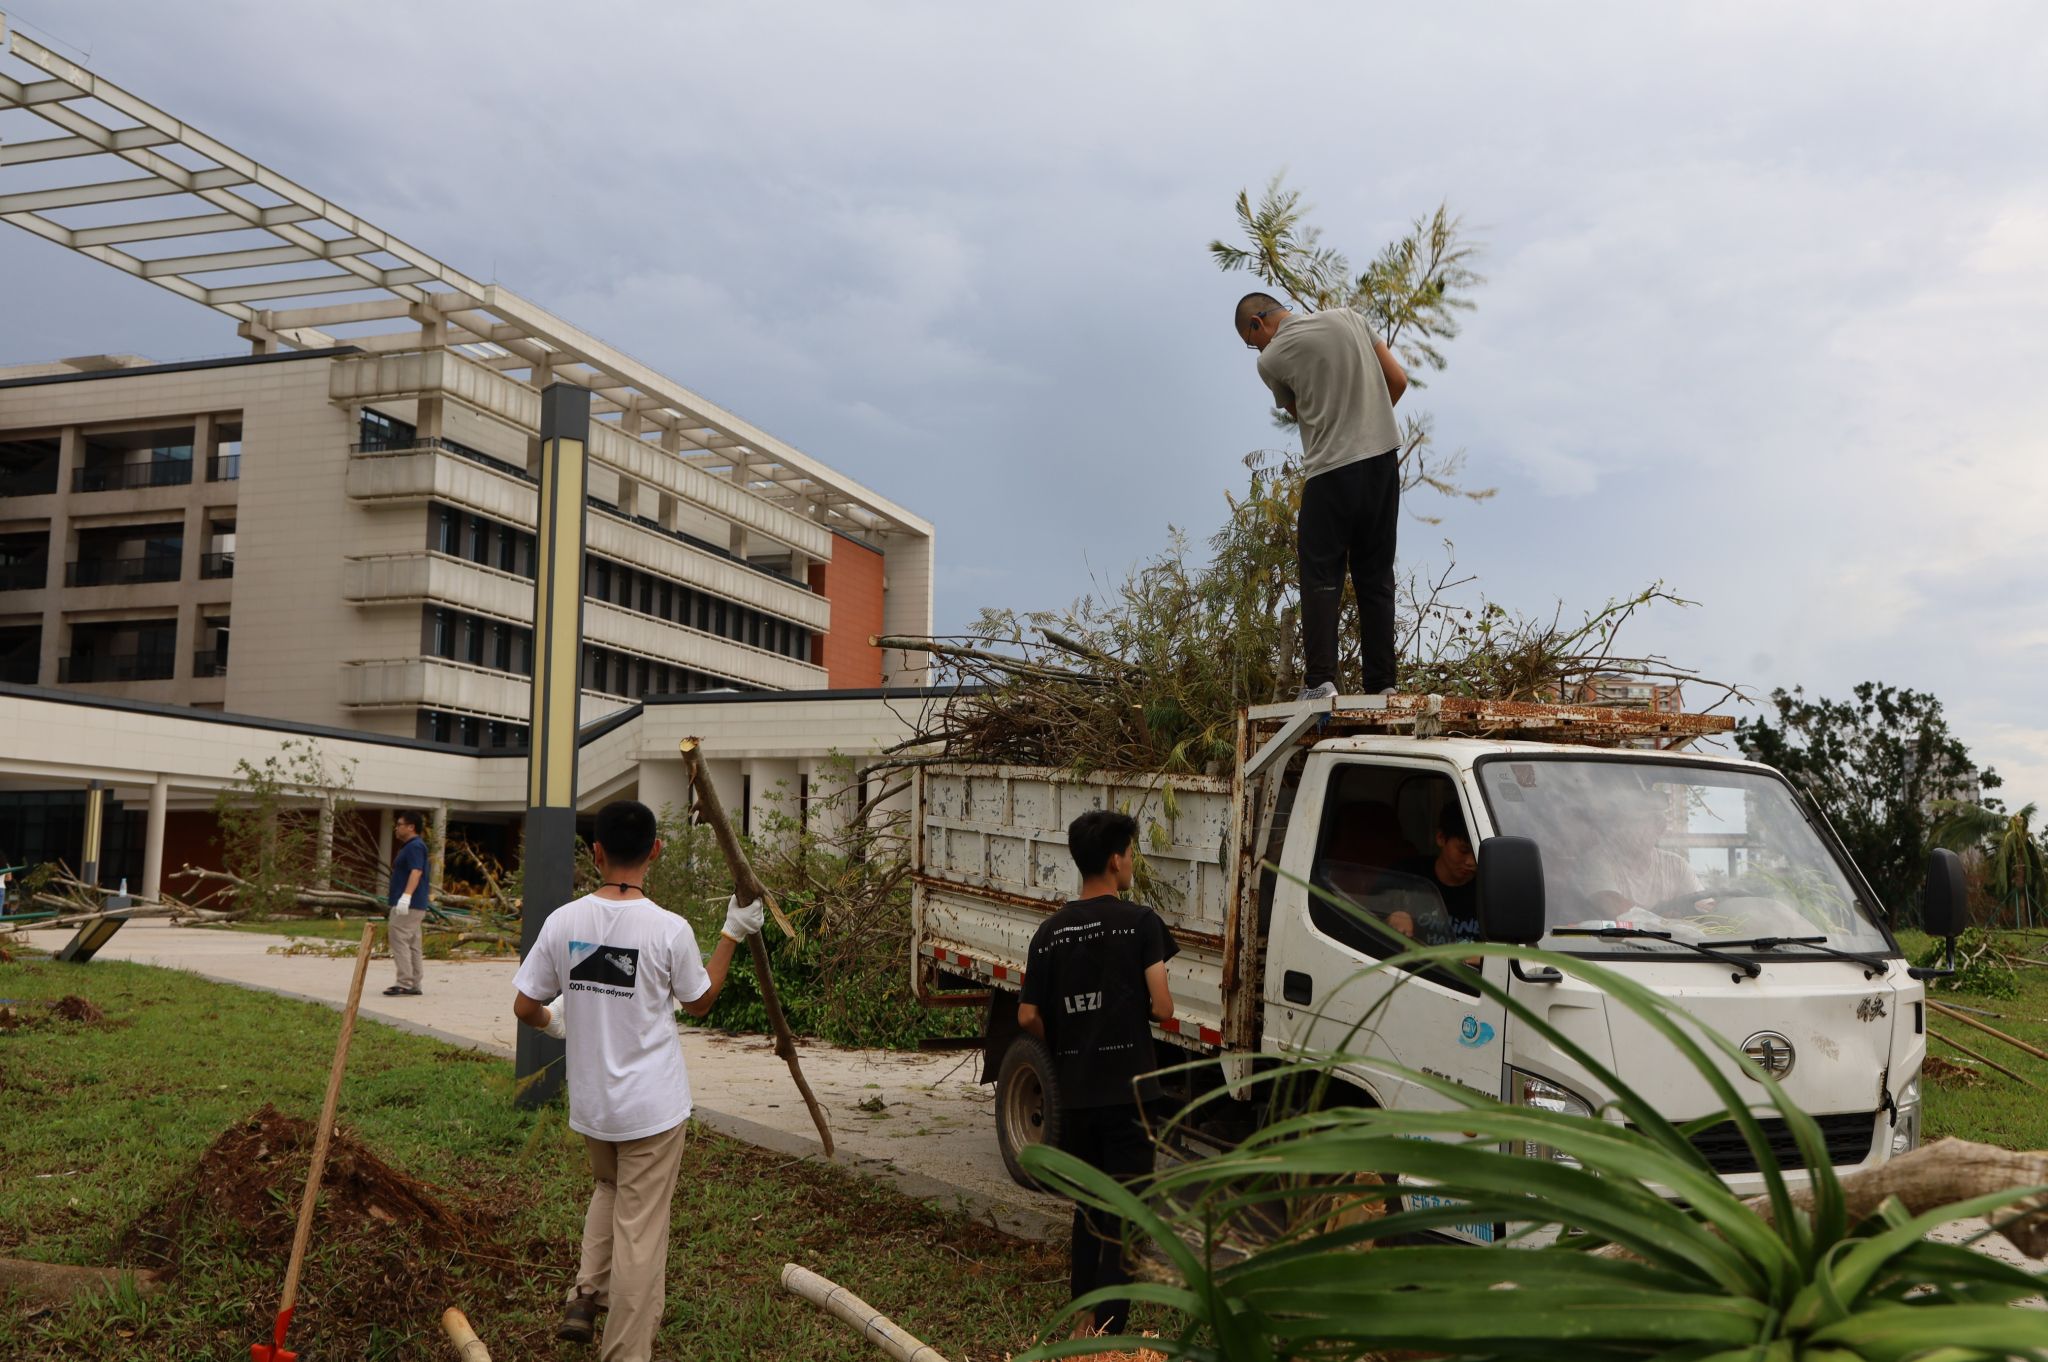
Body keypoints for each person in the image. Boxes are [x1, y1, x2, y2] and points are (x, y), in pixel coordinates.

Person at [511, 799, 764, 1361]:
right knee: (641, 1233)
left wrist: (558, 1023)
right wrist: (731, 932)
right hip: (651, 1111)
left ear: (594, 852)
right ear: (656, 850)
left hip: (595, 1108)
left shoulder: (563, 922)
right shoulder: (668, 929)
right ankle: (624, 1352)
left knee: (607, 1189)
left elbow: (526, 1006)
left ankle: (585, 1296)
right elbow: (699, 1003)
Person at [1018, 809, 1176, 1342]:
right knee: (1128, 1218)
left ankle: (1082, 1323)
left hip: (1078, 1095)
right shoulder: (1141, 924)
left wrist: (1068, 1037)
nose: (1131, 863)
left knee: (1090, 1210)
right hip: (1131, 1096)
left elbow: (1027, 1017)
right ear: (1115, 859)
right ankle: (1107, 1339)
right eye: (1130, 853)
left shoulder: (1049, 933)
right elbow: (1162, 1004)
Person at [1235, 292, 1409, 700]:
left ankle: (1320, 683)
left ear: (1258, 325)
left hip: (1331, 470)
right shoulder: (1351, 317)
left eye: (1250, 340)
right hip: (1383, 462)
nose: (1256, 349)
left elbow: (1303, 415)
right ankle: (1383, 685)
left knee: (1320, 575)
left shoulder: (1270, 360)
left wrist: (1344, 432)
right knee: (1377, 577)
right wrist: (1368, 424)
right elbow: (1397, 382)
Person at [1385, 804, 1480, 945]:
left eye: (1479, 853)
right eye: (1463, 850)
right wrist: (1392, 918)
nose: (1471, 862)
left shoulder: (1488, 890)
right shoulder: (1407, 874)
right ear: (1441, 838)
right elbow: (1370, 912)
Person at [383, 811, 429, 997]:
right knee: (412, 942)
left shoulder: (415, 846)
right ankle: (415, 981)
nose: (397, 827)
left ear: (411, 827)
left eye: (400, 824)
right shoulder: (411, 846)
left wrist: (406, 896)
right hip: (414, 903)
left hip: (409, 904)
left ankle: (404, 981)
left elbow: (416, 871)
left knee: (398, 936)